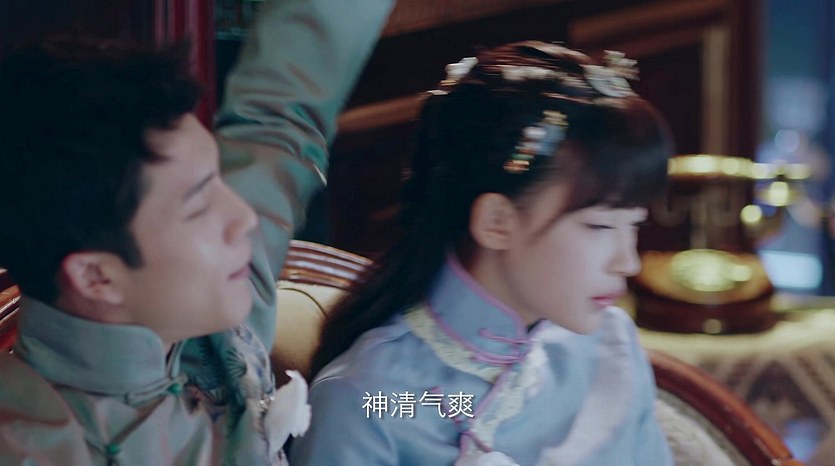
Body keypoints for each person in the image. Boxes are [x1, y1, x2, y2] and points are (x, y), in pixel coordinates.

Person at [0, 0, 394, 464]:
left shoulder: (211, 314)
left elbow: (277, 121)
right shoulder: (34, 447)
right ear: (96, 277)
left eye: (219, 181)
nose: (244, 217)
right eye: (199, 205)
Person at [291, 42, 675, 466]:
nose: (628, 262)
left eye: (634, 225)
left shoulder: (609, 346)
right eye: (600, 226)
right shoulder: (369, 399)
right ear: (497, 221)